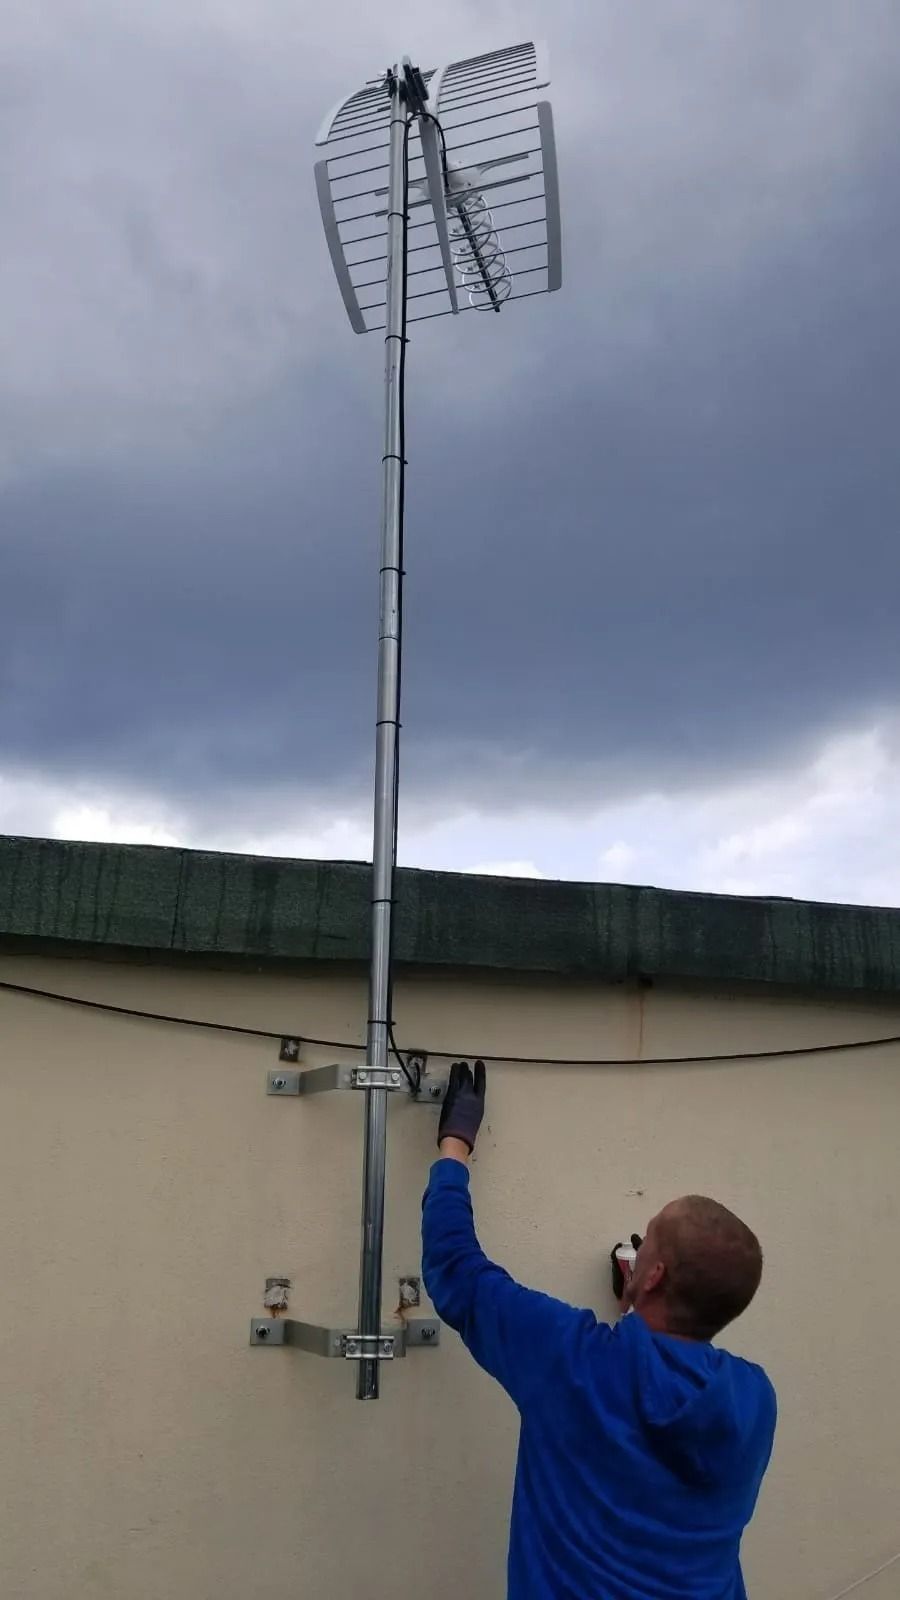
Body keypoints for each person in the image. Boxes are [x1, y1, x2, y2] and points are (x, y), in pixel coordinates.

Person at [422, 1061, 777, 1600]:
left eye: (650, 1236)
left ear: (653, 1275)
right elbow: (655, 1403)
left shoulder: (570, 1362)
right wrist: (639, 1308)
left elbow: (458, 1271)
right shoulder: (755, 1401)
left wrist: (455, 1147)